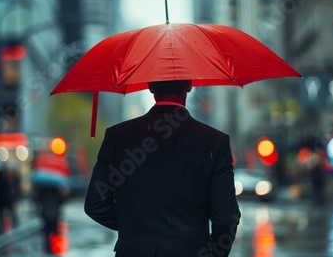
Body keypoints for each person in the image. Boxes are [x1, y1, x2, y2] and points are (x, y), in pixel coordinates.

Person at [84, 80, 240, 257]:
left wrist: (135, 227)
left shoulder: (117, 136)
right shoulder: (215, 142)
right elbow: (226, 219)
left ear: (150, 87)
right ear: (189, 85)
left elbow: (95, 205)